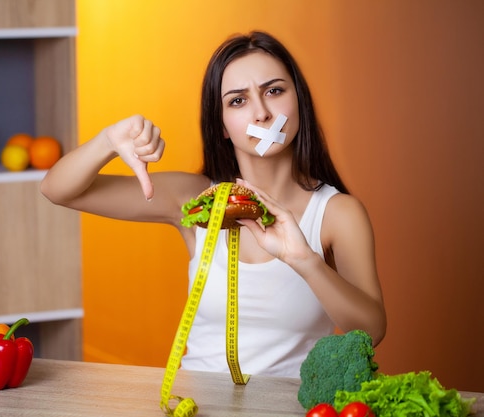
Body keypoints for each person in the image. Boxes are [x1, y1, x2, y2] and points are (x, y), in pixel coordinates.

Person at [41, 31, 386, 378]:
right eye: (238, 101)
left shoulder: (338, 214)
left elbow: (371, 332)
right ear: (221, 124)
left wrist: (305, 261)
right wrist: (108, 141)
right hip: (200, 403)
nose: (262, 113)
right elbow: (58, 190)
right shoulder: (197, 202)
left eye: (274, 91)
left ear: (299, 101)